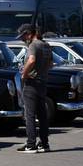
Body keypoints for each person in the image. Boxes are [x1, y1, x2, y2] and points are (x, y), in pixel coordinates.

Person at [16, 24, 53, 153]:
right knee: (42, 115)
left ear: (29, 34)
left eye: (24, 36)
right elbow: (51, 64)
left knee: (30, 115)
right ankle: (44, 143)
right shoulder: (46, 45)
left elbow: (31, 60)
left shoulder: (34, 45)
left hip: (32, 83)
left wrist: (24, 75)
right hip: (42, 83)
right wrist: (42, 73)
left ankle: (31, 144)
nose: (23, 39)